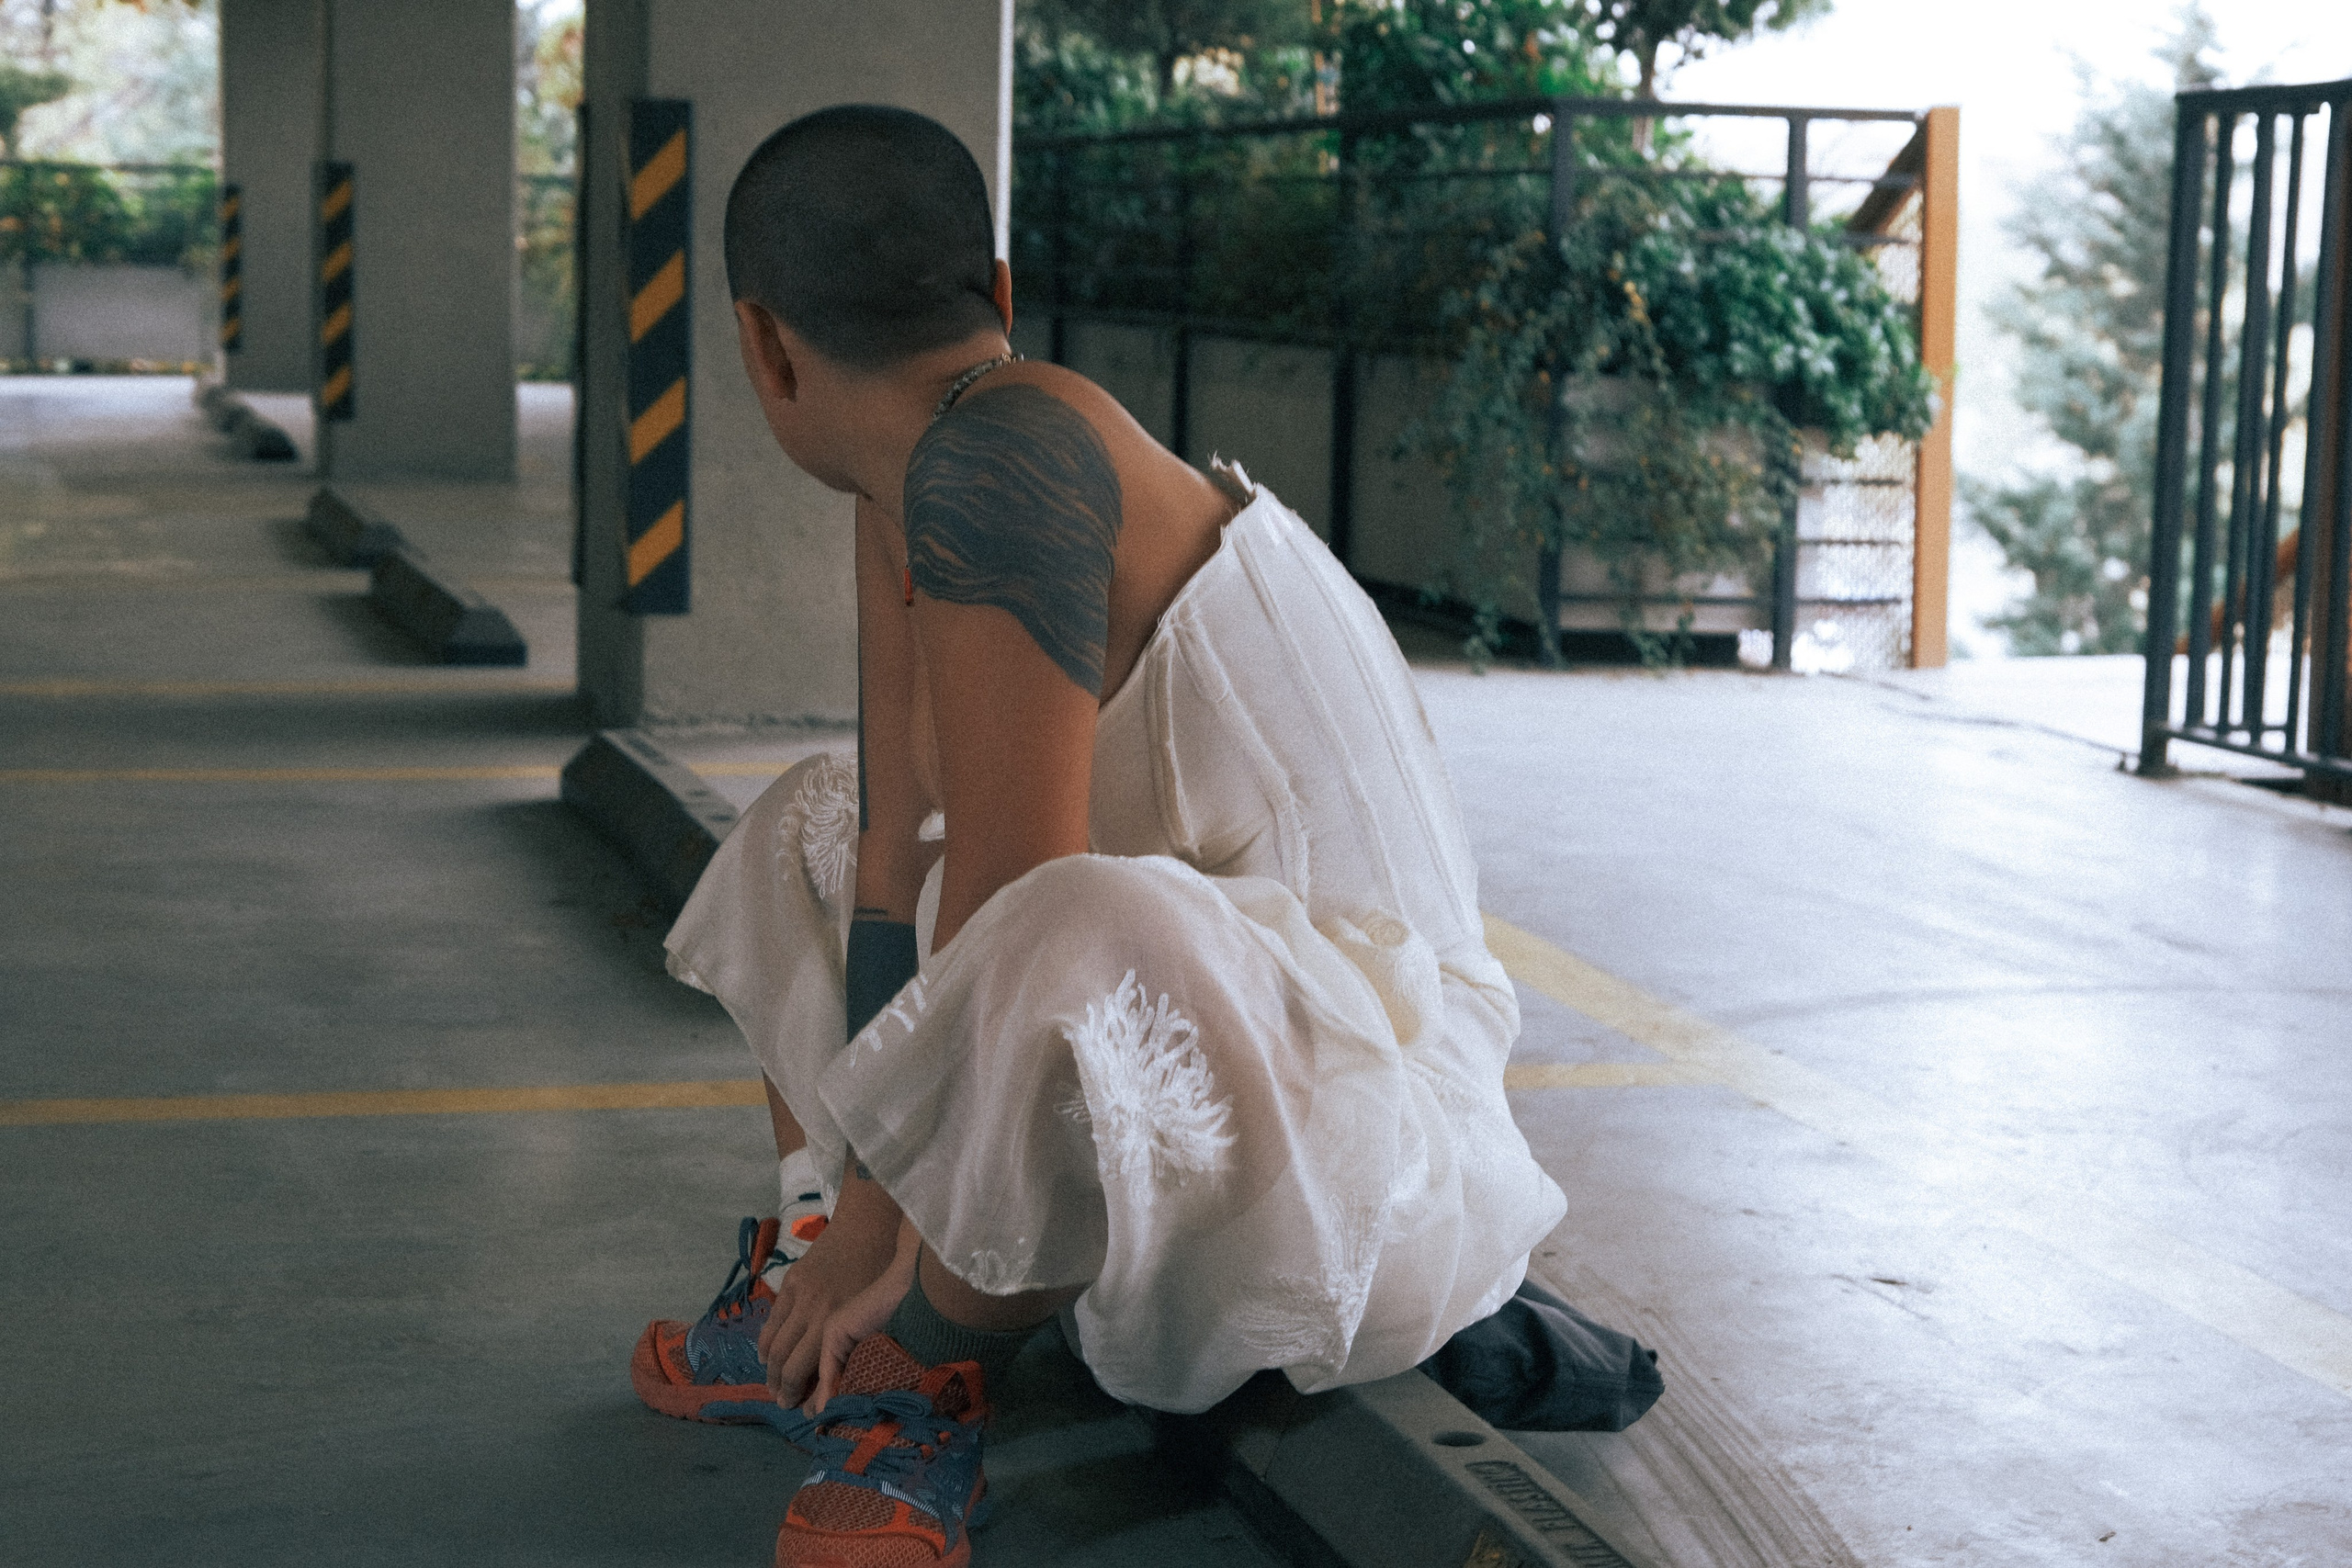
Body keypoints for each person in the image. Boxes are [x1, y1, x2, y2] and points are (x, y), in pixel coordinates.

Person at [631, 104, 1583, 1568]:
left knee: (1067, 923)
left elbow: (1011, 903)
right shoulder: (912, 476)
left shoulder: (1006, 463)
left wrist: (902, 1231)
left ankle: (921, 1376)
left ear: (761, 344)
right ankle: (816, 1297)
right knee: (799, 825)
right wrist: (860, 1220)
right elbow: (890, 851)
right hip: (1232, 1068)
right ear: (999, 296)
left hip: (1374, 1161)